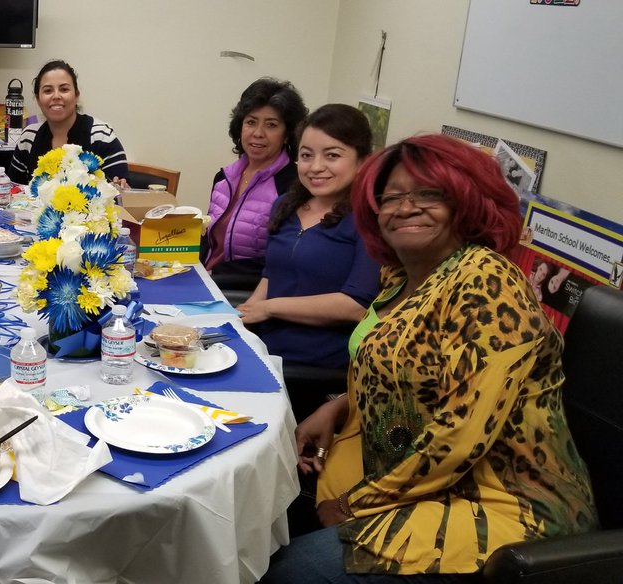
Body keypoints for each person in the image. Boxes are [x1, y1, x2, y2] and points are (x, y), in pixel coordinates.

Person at [264, 134, 598, 582]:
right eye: (392, 197)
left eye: (429, 195)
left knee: (286, 571)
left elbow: (460, 433)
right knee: (266, 513)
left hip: (499, 506)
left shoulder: (486, 280)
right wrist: (341, 404)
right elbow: (408, 372)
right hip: (416, 481)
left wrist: (351, 506)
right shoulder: (402, 277)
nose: (405, 208)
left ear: (466, 203)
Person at [237, 104, 380, 417]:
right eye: (306, 155)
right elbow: (271, 275)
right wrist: (241, 319)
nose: (315, 167)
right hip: (263, 347)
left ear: (362, 160)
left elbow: (356, 304)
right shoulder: (285, 206)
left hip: (314, 366)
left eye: (332, 155)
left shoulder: (368, 219)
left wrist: (270, 308)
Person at [203, 78, 308, 292]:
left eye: (271, 125)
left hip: (245, 293)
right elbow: (211, 241)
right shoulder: (223, 178)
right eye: (251, 122)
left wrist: (216, 275)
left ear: (287, 134)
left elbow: (280, 260)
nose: (258, 133)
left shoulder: (293, 186)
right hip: (208, 281)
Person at [7, 59, 129, 185]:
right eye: (48, 91)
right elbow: (13, 191)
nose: (56, 96)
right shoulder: (28, 137)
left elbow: (122, 195)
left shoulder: (102, 136)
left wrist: (121, 188)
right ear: (38, 99)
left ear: (76, 95)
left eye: (64, 89)